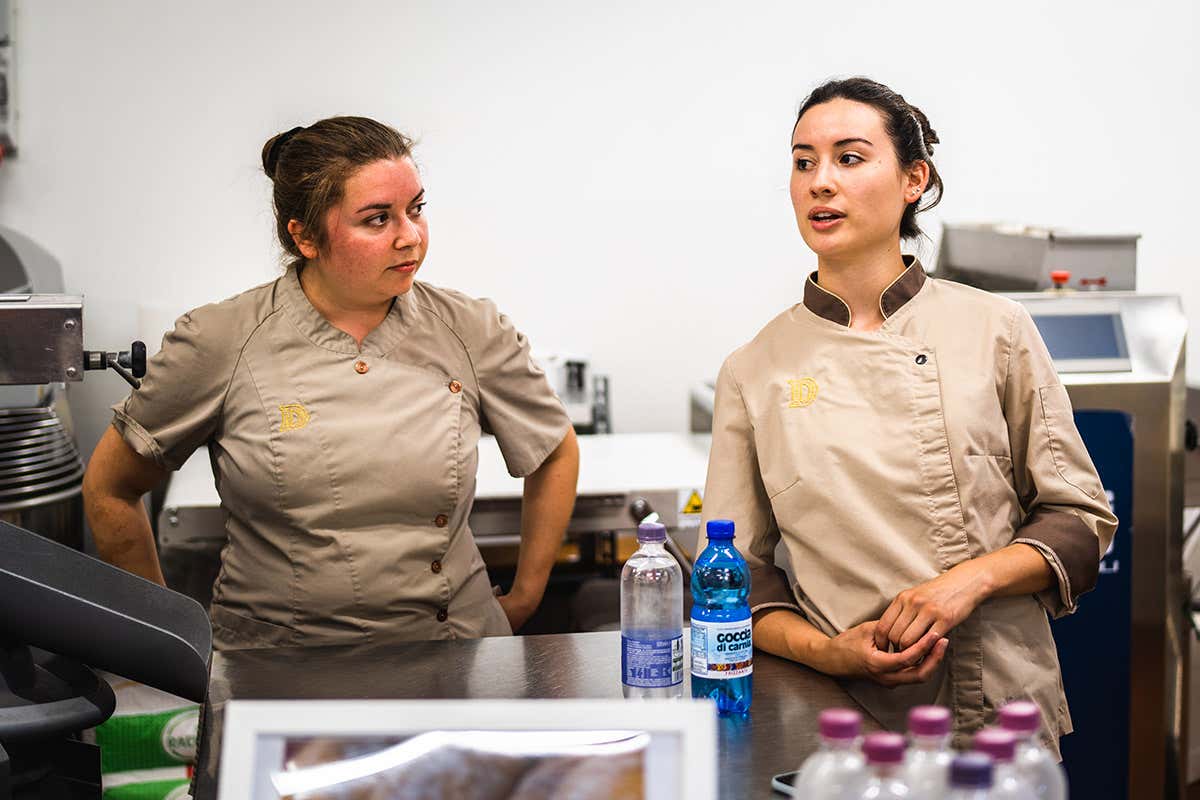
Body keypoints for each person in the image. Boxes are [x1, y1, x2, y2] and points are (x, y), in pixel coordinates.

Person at [699, 78, 1116, 753]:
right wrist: (834, 653)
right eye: (803, 162)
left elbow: (1080, 522)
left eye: (850, 158)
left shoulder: (995, 328)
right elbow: (737, 575)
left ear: (913, 180)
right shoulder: (756, 369)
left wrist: (965, 582)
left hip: (994, 702)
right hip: (839, 716)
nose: (819, 183)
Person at [82, 116, 580, 650]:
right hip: (277, 669)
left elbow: (554, 449)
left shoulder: (470, 330)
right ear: (305, 237)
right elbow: (110, 488)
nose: (409, 236)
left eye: (415, 210)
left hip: (453, 650)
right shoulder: (222, 340)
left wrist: (526, 596)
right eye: (377, 219)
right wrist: (168, 639)